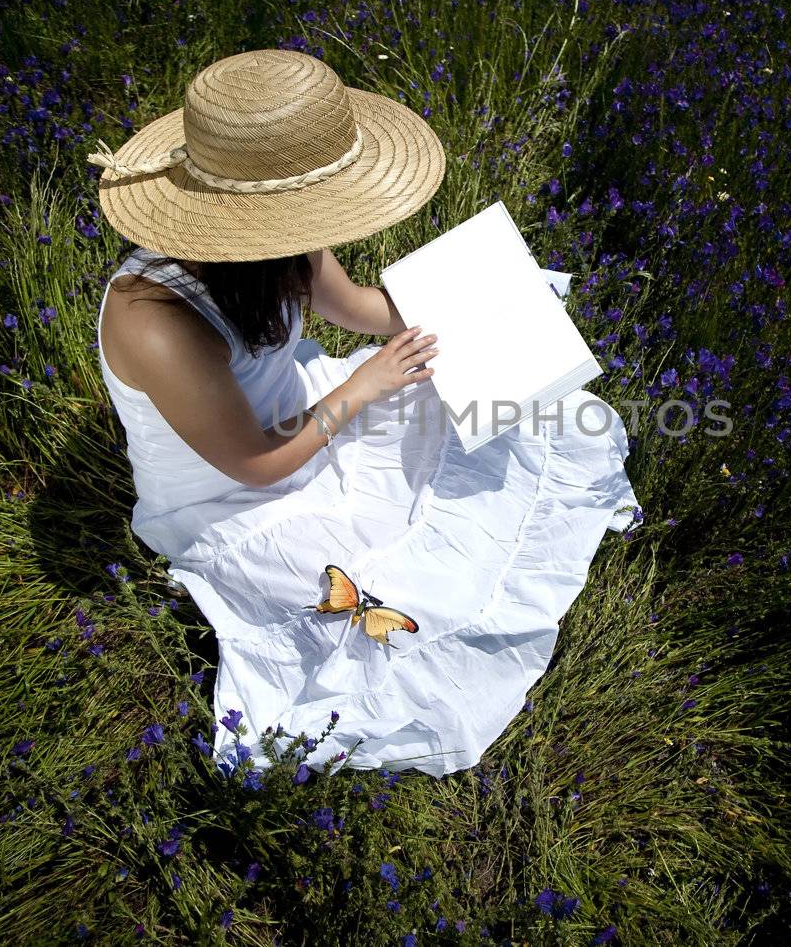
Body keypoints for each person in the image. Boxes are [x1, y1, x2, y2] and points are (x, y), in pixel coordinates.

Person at [88, 47, 640, 777]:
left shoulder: (277, 240)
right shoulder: (153, 320)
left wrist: (473, 297)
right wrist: (362, 389)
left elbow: (359, 311)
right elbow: (253, 464)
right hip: (230, 494)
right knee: (399, 604)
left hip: (307, 410)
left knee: (495, 407)